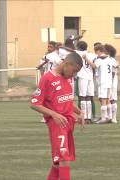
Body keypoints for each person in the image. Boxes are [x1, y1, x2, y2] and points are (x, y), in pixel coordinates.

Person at [30, 52, 85, 180]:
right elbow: (34, 103)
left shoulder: (67, 78)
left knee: (57, 162)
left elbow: (66, 100)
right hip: (57, 124)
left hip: (68, 123)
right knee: (64, 159)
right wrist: (54, 114)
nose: (74, 74)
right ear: (67, 64)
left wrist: (79, 112)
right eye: (74, 70)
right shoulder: (47, 78)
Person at [75, 41, 97, 124]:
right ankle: (89, 117)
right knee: (89, 97)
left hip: (82, 76)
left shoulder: (78, 53)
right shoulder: (92, 55)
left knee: (82, 97)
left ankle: (83, 117)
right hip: (90, 77)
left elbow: (68, 48)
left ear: (79, 47)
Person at [93, 44, 114, 124]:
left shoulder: (100, 59)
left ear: (99, 51)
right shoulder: (109, 58)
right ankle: (110, 116)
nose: (96, 54)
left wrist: (86, 59)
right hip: (109, 82)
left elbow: (94, 66)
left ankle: (104, 118)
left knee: (103, 99)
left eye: (96, 52)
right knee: (108, 99)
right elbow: (116, 66)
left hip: (103, 82)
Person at [104, 44, 119, 123]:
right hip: (111, 81)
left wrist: (110, 80)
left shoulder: (110, 59)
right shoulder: (112, 59)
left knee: (112, 99)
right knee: (110, 99)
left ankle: (113, 117)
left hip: (111, 82)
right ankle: (110, 117)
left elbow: (113, 71)